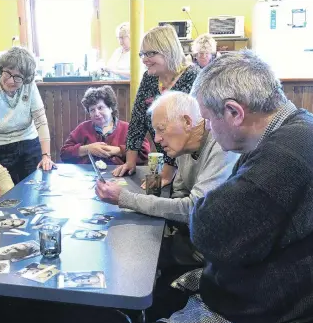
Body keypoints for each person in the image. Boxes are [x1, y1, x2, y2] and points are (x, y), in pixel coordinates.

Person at [148, 50, 313, 323]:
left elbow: (209, 230)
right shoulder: (300, 126)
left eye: (210, 120)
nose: (209, 130)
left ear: (234, 112)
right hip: (257, 293)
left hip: (258, 313)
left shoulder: (287, 153)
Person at [96, 91, 239, 224]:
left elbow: (194, 209)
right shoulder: (182, 147)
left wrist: (125, 198)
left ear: (187, 122)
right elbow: (179, 194)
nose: (157, 139)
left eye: (161, 129)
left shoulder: (222, 145)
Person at [113, 25, 200, 187]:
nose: (144, 59)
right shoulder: (150, 77)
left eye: (151, 53)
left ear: (168, 50)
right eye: (142, 54)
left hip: (191, 166)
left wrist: (166, 174)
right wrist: (130, 162)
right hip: (166, 160)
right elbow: (138, 120)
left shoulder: (193, 76)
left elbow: (181, 131)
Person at [0, 46, 56, 184]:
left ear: (26, 79)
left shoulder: (29, 86)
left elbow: (41, 121)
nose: (11, 80)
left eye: (18, 77)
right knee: (8, 194)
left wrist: (46, 155)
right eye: (7, 73)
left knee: (36, 188)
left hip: (29, 144)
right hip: (0, 148)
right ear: (1, 69)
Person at [60, 85, 150, 165]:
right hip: (89, 176)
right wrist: (87, 149)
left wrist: (118, 151)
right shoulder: (83, 128)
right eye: (92, 110)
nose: (96, 113)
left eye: (100, 108)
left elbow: (144, 153)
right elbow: (64, 154)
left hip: (120, 177)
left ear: (111, 108)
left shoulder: (127, 128)